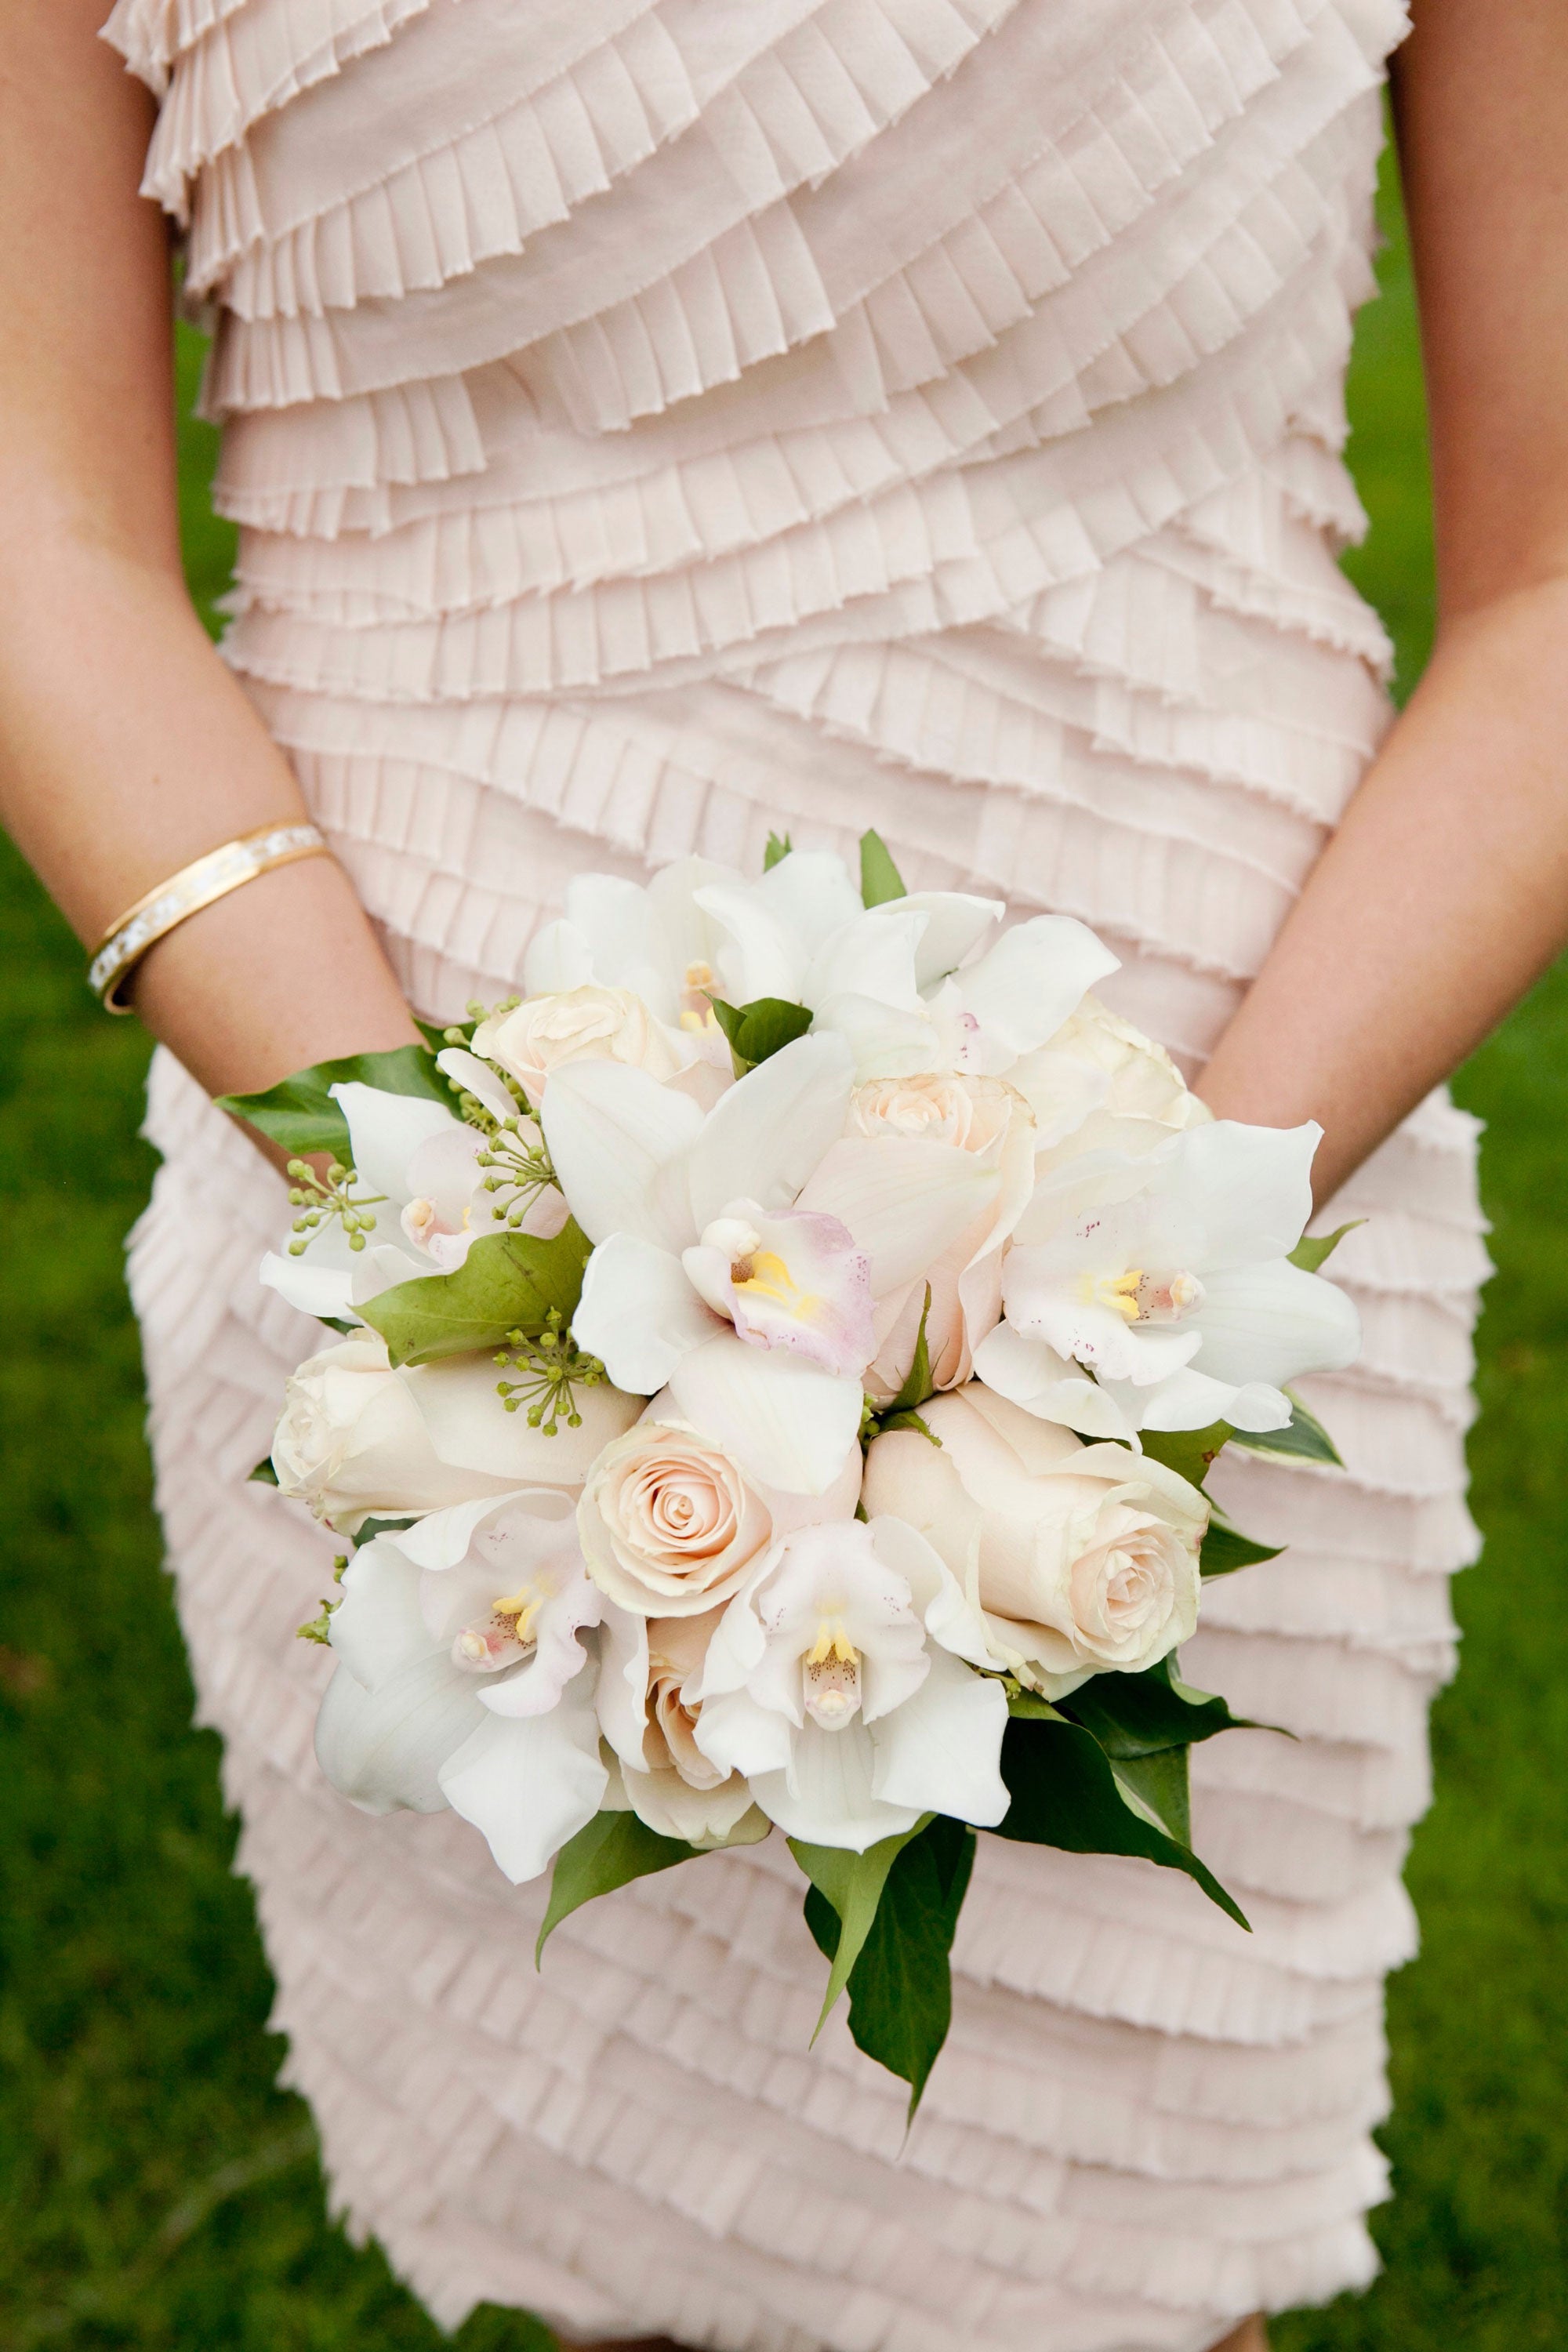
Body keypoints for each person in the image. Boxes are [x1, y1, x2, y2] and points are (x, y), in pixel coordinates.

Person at [2, 3, 1563, 2347]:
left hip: (1218, 1161)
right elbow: (42, 524)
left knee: (1104, 2269)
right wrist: (451, 1211)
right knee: (619, 2227)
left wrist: (1164, 1239)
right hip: (367, 1155)